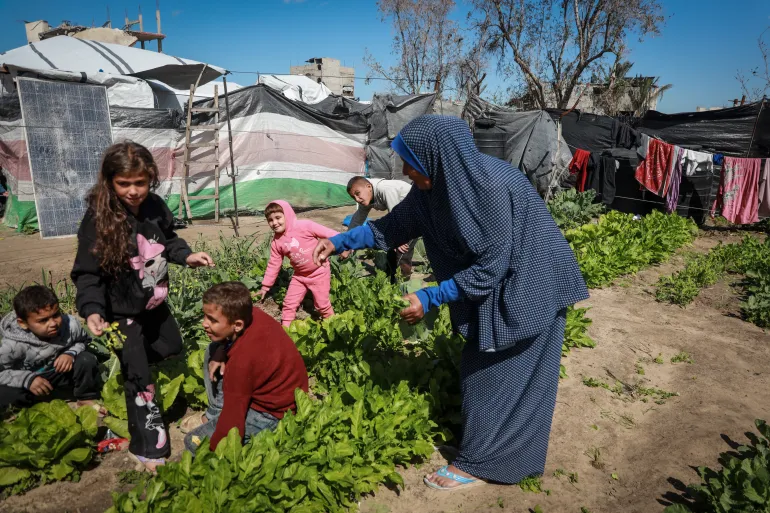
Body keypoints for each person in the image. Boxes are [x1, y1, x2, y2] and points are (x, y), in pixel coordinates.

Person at [313, 115, 589, 490]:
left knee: (497, 374)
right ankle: (495, 455)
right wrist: (338, 242)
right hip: (509, 280)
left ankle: (482, 462)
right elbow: (391, 227)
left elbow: (490, 268)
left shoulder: (489, 188)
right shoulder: (432, 191)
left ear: (437, 158)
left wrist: (430, 295)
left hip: (532, 281)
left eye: (411, 162)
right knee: (490, 371)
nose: (406, 171)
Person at [71, 141, 214, 471]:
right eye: (124, 183)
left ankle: (133, 367)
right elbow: (87, 274)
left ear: (150, 178)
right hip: (121, 313)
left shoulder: (154, 207)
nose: (133, 191)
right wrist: (93, 310)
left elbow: (169, 240)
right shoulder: (98, 221)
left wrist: (186, 256)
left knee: (171, 346)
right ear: (110, 182)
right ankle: (148, 449)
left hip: (153, 304)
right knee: (140, 381)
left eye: (140, 182)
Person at [182, 282, 309, 453]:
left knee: (192, 442)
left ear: (237, 325)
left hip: (272, 412)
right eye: (205, 316)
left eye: (212, 320)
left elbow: (233, 421)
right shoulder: (252, 314)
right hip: (282, 390)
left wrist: (216, 449)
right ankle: (215, 413)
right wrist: (222, 350)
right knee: (214, 348)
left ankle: (217, 421)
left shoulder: (242, 362)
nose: (204, 323)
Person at [0, 285, 100, 409]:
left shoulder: (70, 326)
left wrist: (70, 353)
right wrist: (27, 379)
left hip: (59, 373)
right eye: (43, 320)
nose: (53, 323)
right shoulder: (11, 345)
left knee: (86, 360)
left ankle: (85, 398)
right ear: (23, 323)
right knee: (5, 393)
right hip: (30, 383)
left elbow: (84, 341)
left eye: (56, 315)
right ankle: (26, 409)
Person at [258, 200, 339, 326]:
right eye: (270, 220)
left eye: (278, 218)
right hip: (300, 276)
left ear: (287, 214)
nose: (274, 223)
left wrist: (344, 244)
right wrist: (265, 286)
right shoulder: (276, 242)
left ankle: (334, 325)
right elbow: (274, 264)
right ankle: (285, 330)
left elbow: (330, 233)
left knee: (322, 305)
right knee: (288, 304)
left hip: (319, 272)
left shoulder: (305, 226)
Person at [346, 176, 416, 282]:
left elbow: (396, 214)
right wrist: (347, 241)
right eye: (353, 197)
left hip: (415, 214)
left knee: (402, 253)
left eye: (357, 193)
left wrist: (399, 239)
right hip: (403, 217)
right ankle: (391, 282)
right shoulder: (367, 196)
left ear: (368, 186)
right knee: (391, 251)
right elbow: (358, 218)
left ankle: (404, 285)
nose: (357, 199)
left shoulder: (386, 189)